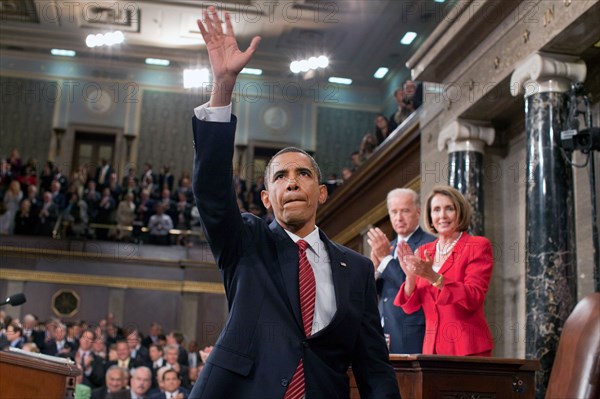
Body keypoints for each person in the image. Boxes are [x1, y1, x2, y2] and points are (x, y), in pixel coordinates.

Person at [190, 7, 400, 399]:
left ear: (321, 192)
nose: (292, 183)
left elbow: (374, 365)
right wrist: (223, 87)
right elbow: (213, 194)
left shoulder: (355, 269)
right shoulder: (246, 243)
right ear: (267, 198)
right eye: (281, 177)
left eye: (303, 174)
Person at [394, 185, 494, 356]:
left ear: (460, 212)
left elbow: (474, 297)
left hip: (467, 348)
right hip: (432, 351)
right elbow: (410, 308)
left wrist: (432, 276)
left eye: (449, 209)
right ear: (430, 216)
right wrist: (410, 277)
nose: (442, 216)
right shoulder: (425, 251)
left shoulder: (477, 246)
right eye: (436, 210)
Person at [367, 188, 435, 354]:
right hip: (383, 331)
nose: (399, 218)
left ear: (418, 211)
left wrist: (385, 260)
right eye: (394, 212)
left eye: (405, 211)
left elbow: (412, 285)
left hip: (412, 332)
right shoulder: (386, 246)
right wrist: (374, 270)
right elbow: (374, 294)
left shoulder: (430, 243)